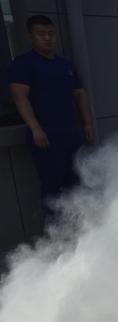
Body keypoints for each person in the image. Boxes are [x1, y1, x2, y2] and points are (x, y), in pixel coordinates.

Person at [9, 14, 94, 221]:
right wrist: (35, 128)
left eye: (51, 34)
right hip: (46, 138)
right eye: (41, 34)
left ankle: (81, 226)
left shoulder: (65, 65)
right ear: (31, 36)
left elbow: (80, 94)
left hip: (71, 134)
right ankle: (55, 232)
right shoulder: (23, 64)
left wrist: (87, 123)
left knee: (77, 181)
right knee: (52, 186)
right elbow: (20, 98)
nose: (47, 38)